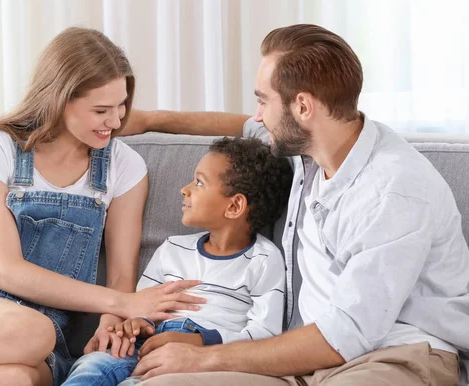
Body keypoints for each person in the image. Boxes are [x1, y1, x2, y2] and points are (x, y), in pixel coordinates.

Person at [122, 24, 469, 386]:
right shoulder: (308, 150)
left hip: (395, 356)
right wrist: (150, 119)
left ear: (302, 106)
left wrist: (202, 358)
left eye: (262, 101)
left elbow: (346, 334)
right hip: (305, 362)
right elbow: (242, 128)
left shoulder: (395, 190)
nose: (258, 116)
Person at [0, 27, 205, 386]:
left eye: (122, 104)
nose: (116, 121)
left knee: (12, 378)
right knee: (31, 331)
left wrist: (110, 325)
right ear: (60, 99)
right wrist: (127, 305)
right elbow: (9, 273)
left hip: (44, 329)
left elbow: (121, 276)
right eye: (100, 110)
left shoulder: (125, 166)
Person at [62, 137, 293, 386]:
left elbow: (265, 334)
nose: (185, 189)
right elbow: (142, 303)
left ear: (235, 205)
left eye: (199, 182)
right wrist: (137, 323)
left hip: (200, 354)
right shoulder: (173, 248)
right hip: (145, 342)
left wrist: (199, 341)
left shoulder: (263, 260)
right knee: (92, 366)